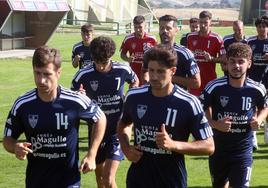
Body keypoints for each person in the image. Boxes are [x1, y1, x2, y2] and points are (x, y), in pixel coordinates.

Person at [3, 46, 107, 187]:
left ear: (58, 73)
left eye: (47, 74)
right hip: (36, 182)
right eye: (37, 73)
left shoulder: (75, 100)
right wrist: (15, 147)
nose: (41, 80)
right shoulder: (23, 104)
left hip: (68, 181)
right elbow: (7, 140)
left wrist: (92, 154)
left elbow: (100, 118)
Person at [117, 44, 214, 188]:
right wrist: (125, 147)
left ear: (173, 71)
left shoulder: (188, 103)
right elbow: (124, 124)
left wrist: (174, 145)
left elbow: (209, 146)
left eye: (161, 72)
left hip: (171, 181)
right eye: (151, 70)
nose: (154, 77)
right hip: (137, 180)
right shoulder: (134, 96)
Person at [71, 36, 139, 188]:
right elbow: (74, 95)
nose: (100, 67)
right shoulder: (83, 74)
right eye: (97, 62)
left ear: (110, 57)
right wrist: (79, 95)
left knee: (108, 178)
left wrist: (132, 91)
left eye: (104, 63)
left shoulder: (123, 69)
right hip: (96, 131)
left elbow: (134, 80)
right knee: (101, 180)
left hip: (118, 129)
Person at [199, 43, 268, 188]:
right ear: (226, 63)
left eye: (241, 61)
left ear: (249, 64)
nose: (236, 66)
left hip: (243, 149)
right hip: (218, 148)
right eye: (232, 61)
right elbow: (201, 109)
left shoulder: (257, 89)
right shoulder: (214, 87)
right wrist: (215, 124)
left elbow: (265, 107)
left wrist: (259, 119)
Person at [143, 14, 201, 91]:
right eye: (162, 28)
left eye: (168, 28)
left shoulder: (185, 54)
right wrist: (146, 81)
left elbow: (196, 83)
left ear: (176, 30)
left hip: (177, 101)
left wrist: (167, 77)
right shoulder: (150, 52)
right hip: (154, 98)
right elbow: (144, 72)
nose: (164, 31)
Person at [187, 10, 226, 96]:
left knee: (208, 107)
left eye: (206, 22)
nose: (203, 25)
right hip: (194, 80)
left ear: (210, 22)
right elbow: (188, 58)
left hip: (210, 81)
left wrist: (212, 59)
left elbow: (225, 58)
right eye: (201, 22)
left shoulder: (216, 38)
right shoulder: (190, 37)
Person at [247, 15, 268, 150]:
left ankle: (266, 135)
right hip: (253, 81)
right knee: (253, 109)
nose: (261, 29)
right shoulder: (250, 42)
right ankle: (253, 140)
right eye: (259, 26)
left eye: (264, 26)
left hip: (267, 81)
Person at [120, 15, 157, 85]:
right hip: (134, 71)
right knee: (134, 90)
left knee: (147, 91)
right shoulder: (128, 39)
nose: (137, 30)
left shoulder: (152, 39)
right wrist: (128, 59)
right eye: (135, 27)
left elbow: (157, 56)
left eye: (140, 27)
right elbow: (122, 54)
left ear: (145, 26)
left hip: (148, 71)